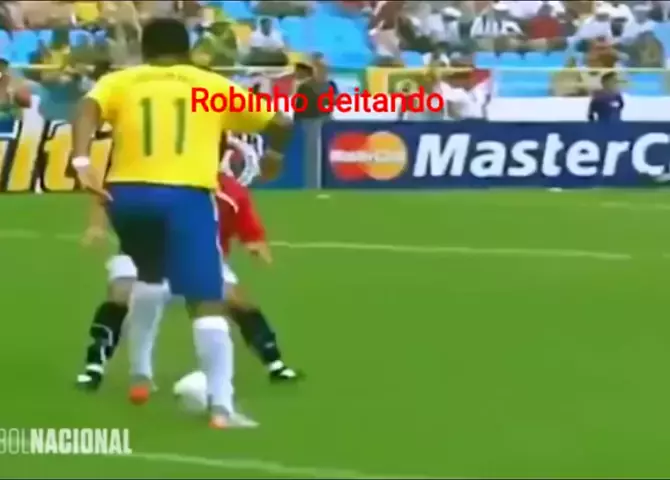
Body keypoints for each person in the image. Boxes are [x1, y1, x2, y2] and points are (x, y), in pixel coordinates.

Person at [70, 17, 292, 429]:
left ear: (145, 50)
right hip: (184, 195)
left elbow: (86, 108)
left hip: (127, 197)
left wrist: (82, 160)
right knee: (206, 299)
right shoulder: (208, 86)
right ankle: (222, 408)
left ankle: (140, 374)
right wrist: (275, 157)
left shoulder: (124, 81)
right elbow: (281, 122)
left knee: (149, 275)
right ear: (187, 49)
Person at [75, 139, 301, 393]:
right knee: (120, 293)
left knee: (239, 300)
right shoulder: (156, 178)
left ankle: (276, 365)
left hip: (200, 260)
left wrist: (255, 246)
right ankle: (94, 367)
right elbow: (108, 195)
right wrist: (96, 226)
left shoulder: (232, 192)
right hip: (143, 256)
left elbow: (250, 231)